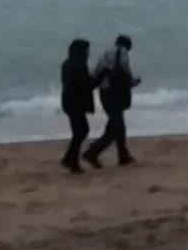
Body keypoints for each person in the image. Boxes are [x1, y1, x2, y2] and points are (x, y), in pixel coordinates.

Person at [84, 33, 140, 168]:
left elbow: (96, 72)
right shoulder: (123, 53)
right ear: (128, 45)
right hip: (116, 94)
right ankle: (94, 151)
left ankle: (122, 156)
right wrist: (133, 81)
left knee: (116, 124)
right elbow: (125, 71)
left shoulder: (104, 54)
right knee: (117, 126)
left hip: (104, 93)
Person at [59, 38, 96, 172]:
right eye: (87, 50)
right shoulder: (79, 65)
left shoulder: (68, 64)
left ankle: (70, 159)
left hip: (69, 101)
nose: (88, 53)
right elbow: (86, 84)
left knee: (79, 131)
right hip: (75, 103)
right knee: (82, 131)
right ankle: (70, 160)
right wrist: (101, 77)